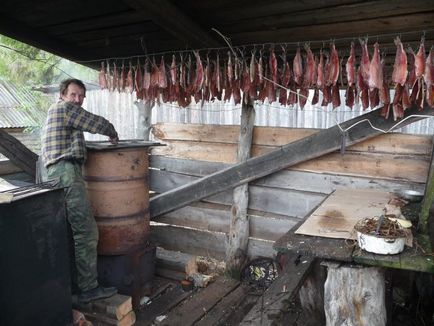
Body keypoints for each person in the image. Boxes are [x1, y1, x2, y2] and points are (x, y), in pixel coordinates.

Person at [41, 78, 119, 303]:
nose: (78, 99)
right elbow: (95, 123)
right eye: (74, 94)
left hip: (57, 174)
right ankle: (88, 289)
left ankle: (73, 287)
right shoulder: (65, 109)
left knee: (71, 231)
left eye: (81, 96)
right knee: (86, 232)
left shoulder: (58, 112)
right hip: (65, 172)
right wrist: (112, 132)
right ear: (63, 95)